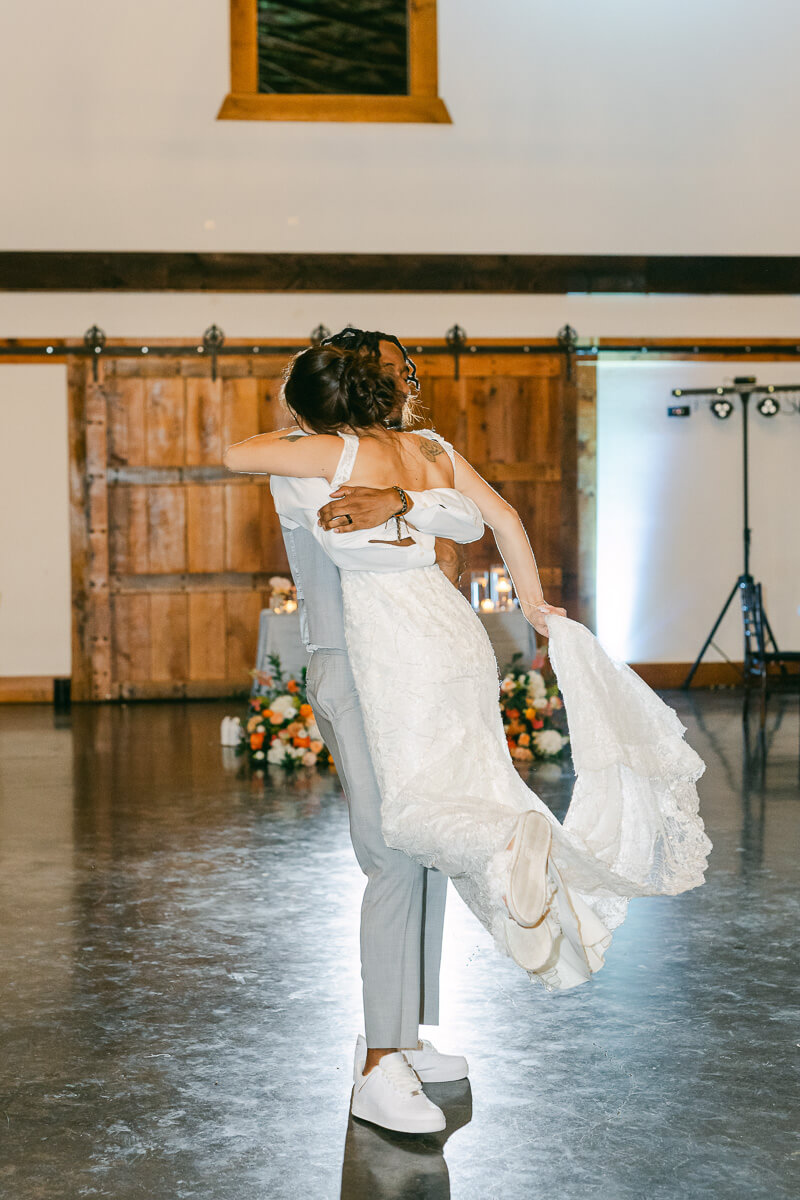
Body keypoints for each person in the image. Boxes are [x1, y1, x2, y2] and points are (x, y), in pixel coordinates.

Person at [223, 334, 711, 1136]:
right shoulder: (321, 454)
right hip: (365, 658)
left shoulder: (378, 451)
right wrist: (529, 602)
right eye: (391, 363)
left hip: (399, 657)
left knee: (405, 848)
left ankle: (396, 1044)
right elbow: (492, 516)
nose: (406, 372)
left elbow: (471, 514)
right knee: (395, 852)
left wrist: (400, 497)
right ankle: (387, 1053)